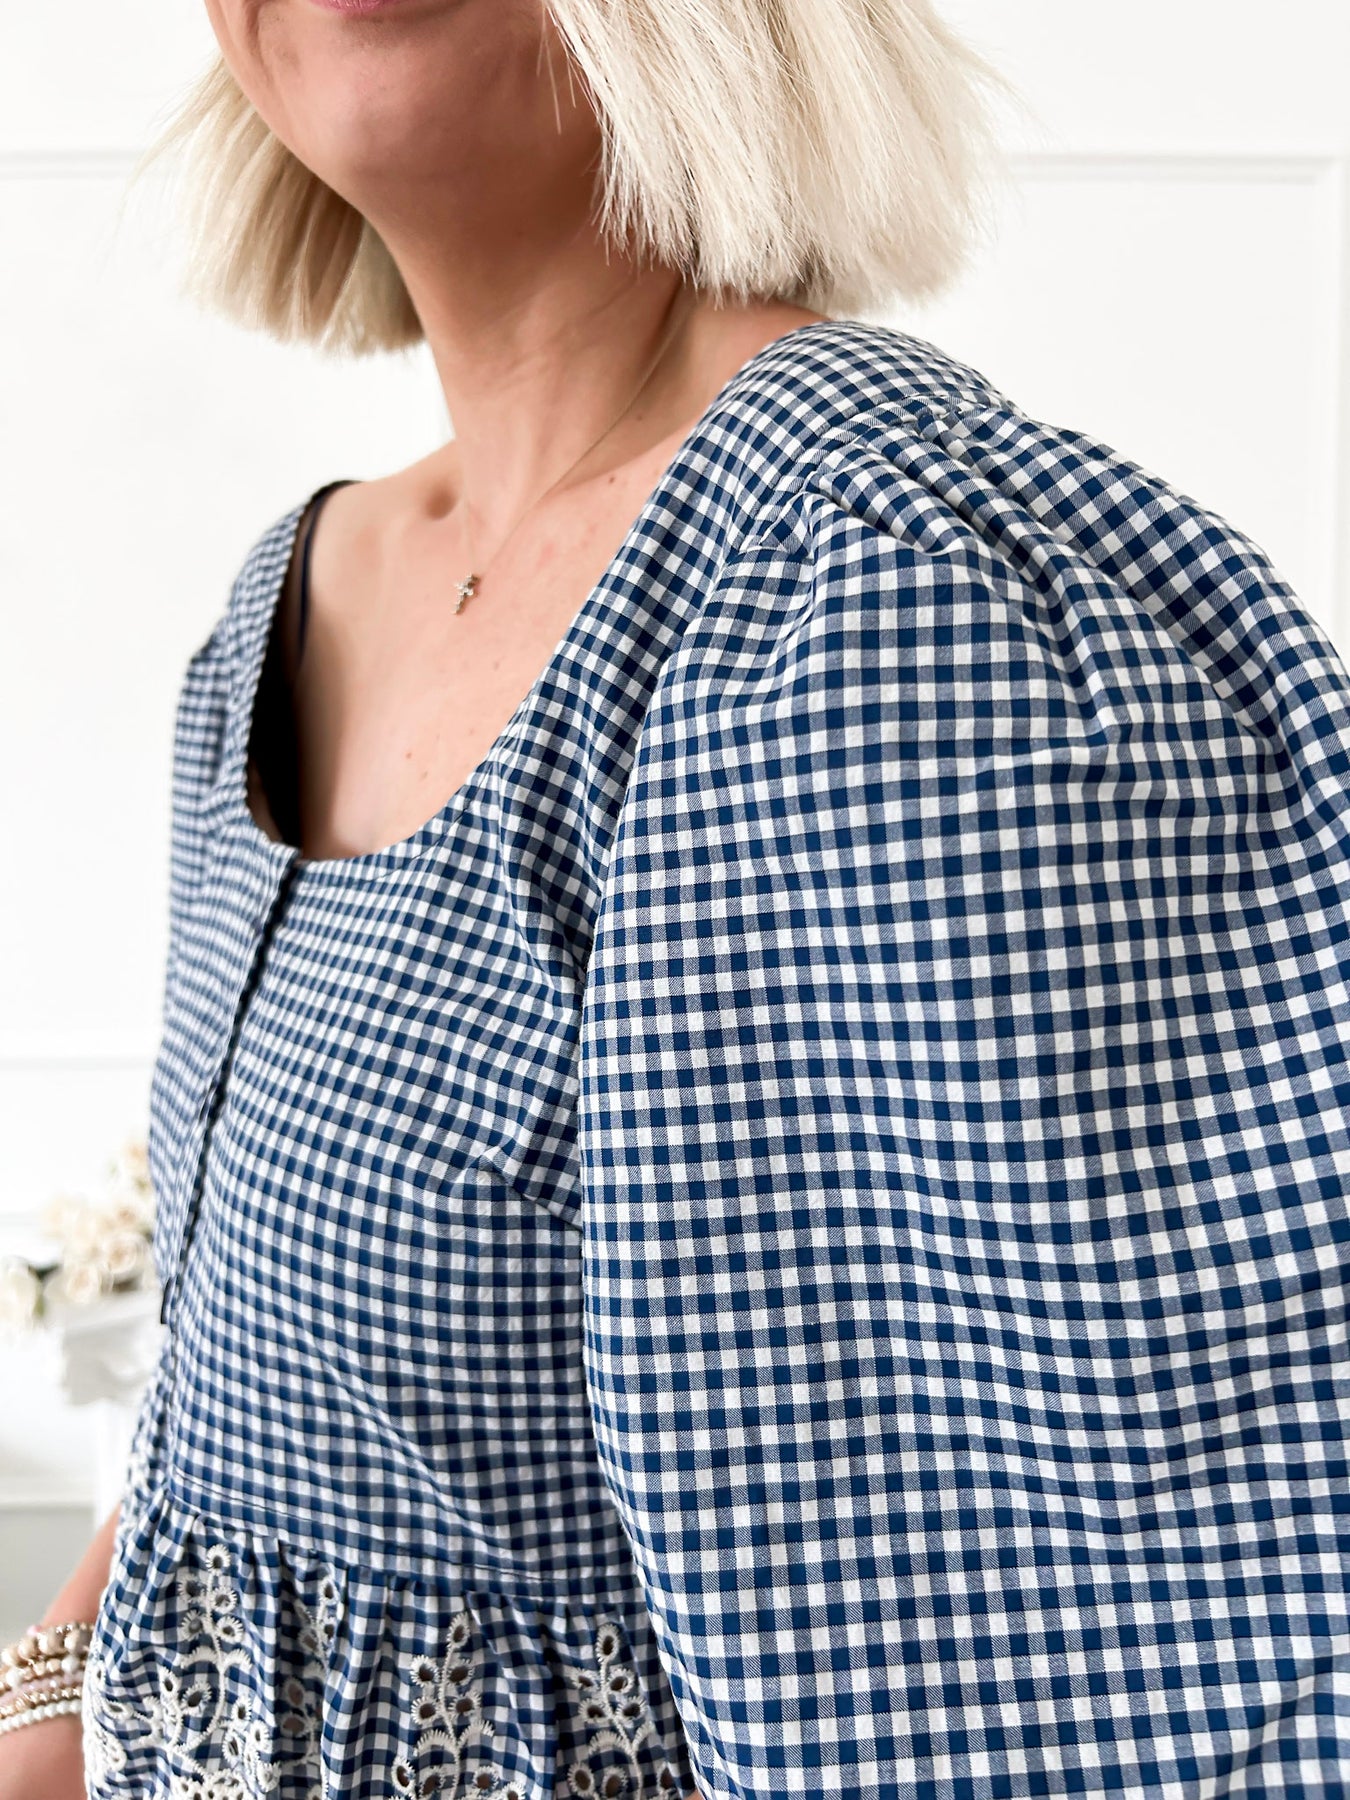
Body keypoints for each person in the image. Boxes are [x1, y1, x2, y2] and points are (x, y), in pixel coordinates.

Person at [4, 0, 1349, 1794]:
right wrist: (46, 1703)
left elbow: (1101, 1686)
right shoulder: (291, 602)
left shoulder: (880, 611)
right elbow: (241, 1428)